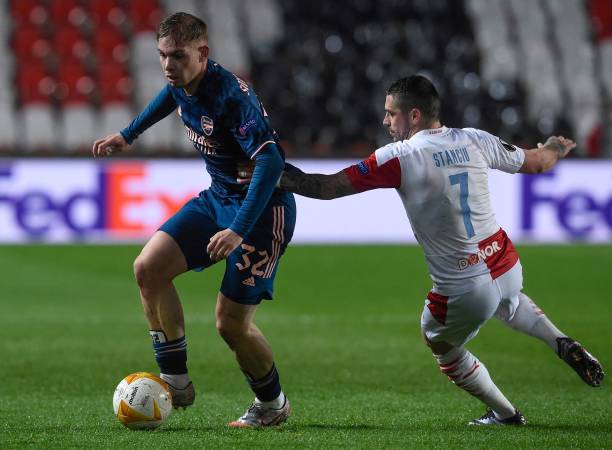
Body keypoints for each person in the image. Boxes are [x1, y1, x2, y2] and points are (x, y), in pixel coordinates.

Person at [269, 75, 604, 425]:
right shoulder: (475, 138)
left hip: (463, 285)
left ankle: (506, 413)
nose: (385, 121)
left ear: (414, 116)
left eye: (390, 114)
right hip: (505, 263)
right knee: (511, 301)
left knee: (439, 342)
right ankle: (560, 341)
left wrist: (273, 173)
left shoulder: (400, 156)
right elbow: (538, 163)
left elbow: (327, 187)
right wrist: (553, 146)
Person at [92, 12, 295, 428]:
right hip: (217, 198)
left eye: (178, 56)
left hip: (260, 213)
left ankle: (273, 406)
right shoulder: (183, 81)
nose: (168, 65)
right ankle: (176, 380)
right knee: (148, 269)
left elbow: (272, 160)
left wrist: (238, 228)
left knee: (230, 325)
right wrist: (128, 134)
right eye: (163, 56)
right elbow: (172, 96)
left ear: (203, 53)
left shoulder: (231, 97)